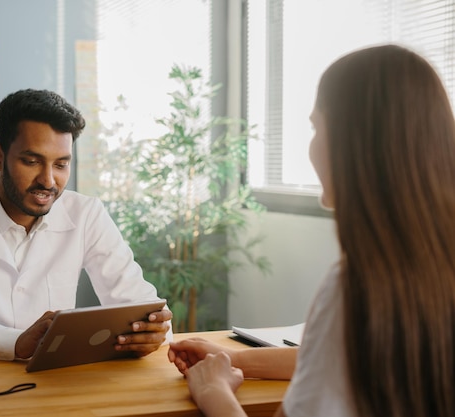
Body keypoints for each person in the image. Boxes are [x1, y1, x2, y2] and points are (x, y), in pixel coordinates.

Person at [168, 44, 455, 417]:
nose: (313, 146)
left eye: (317, 127)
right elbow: (341, 355)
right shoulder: (428, 270)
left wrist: (213, 390)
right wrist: (233, 358)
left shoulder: (359, 286)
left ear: (353, 145)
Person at [0, 88, 172, 361]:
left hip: (54, 385)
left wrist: (154, 328)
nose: (49, 181)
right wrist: (15, 343)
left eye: (61, 165)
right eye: (31, 161)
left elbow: (142, 306)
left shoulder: (86, 214)